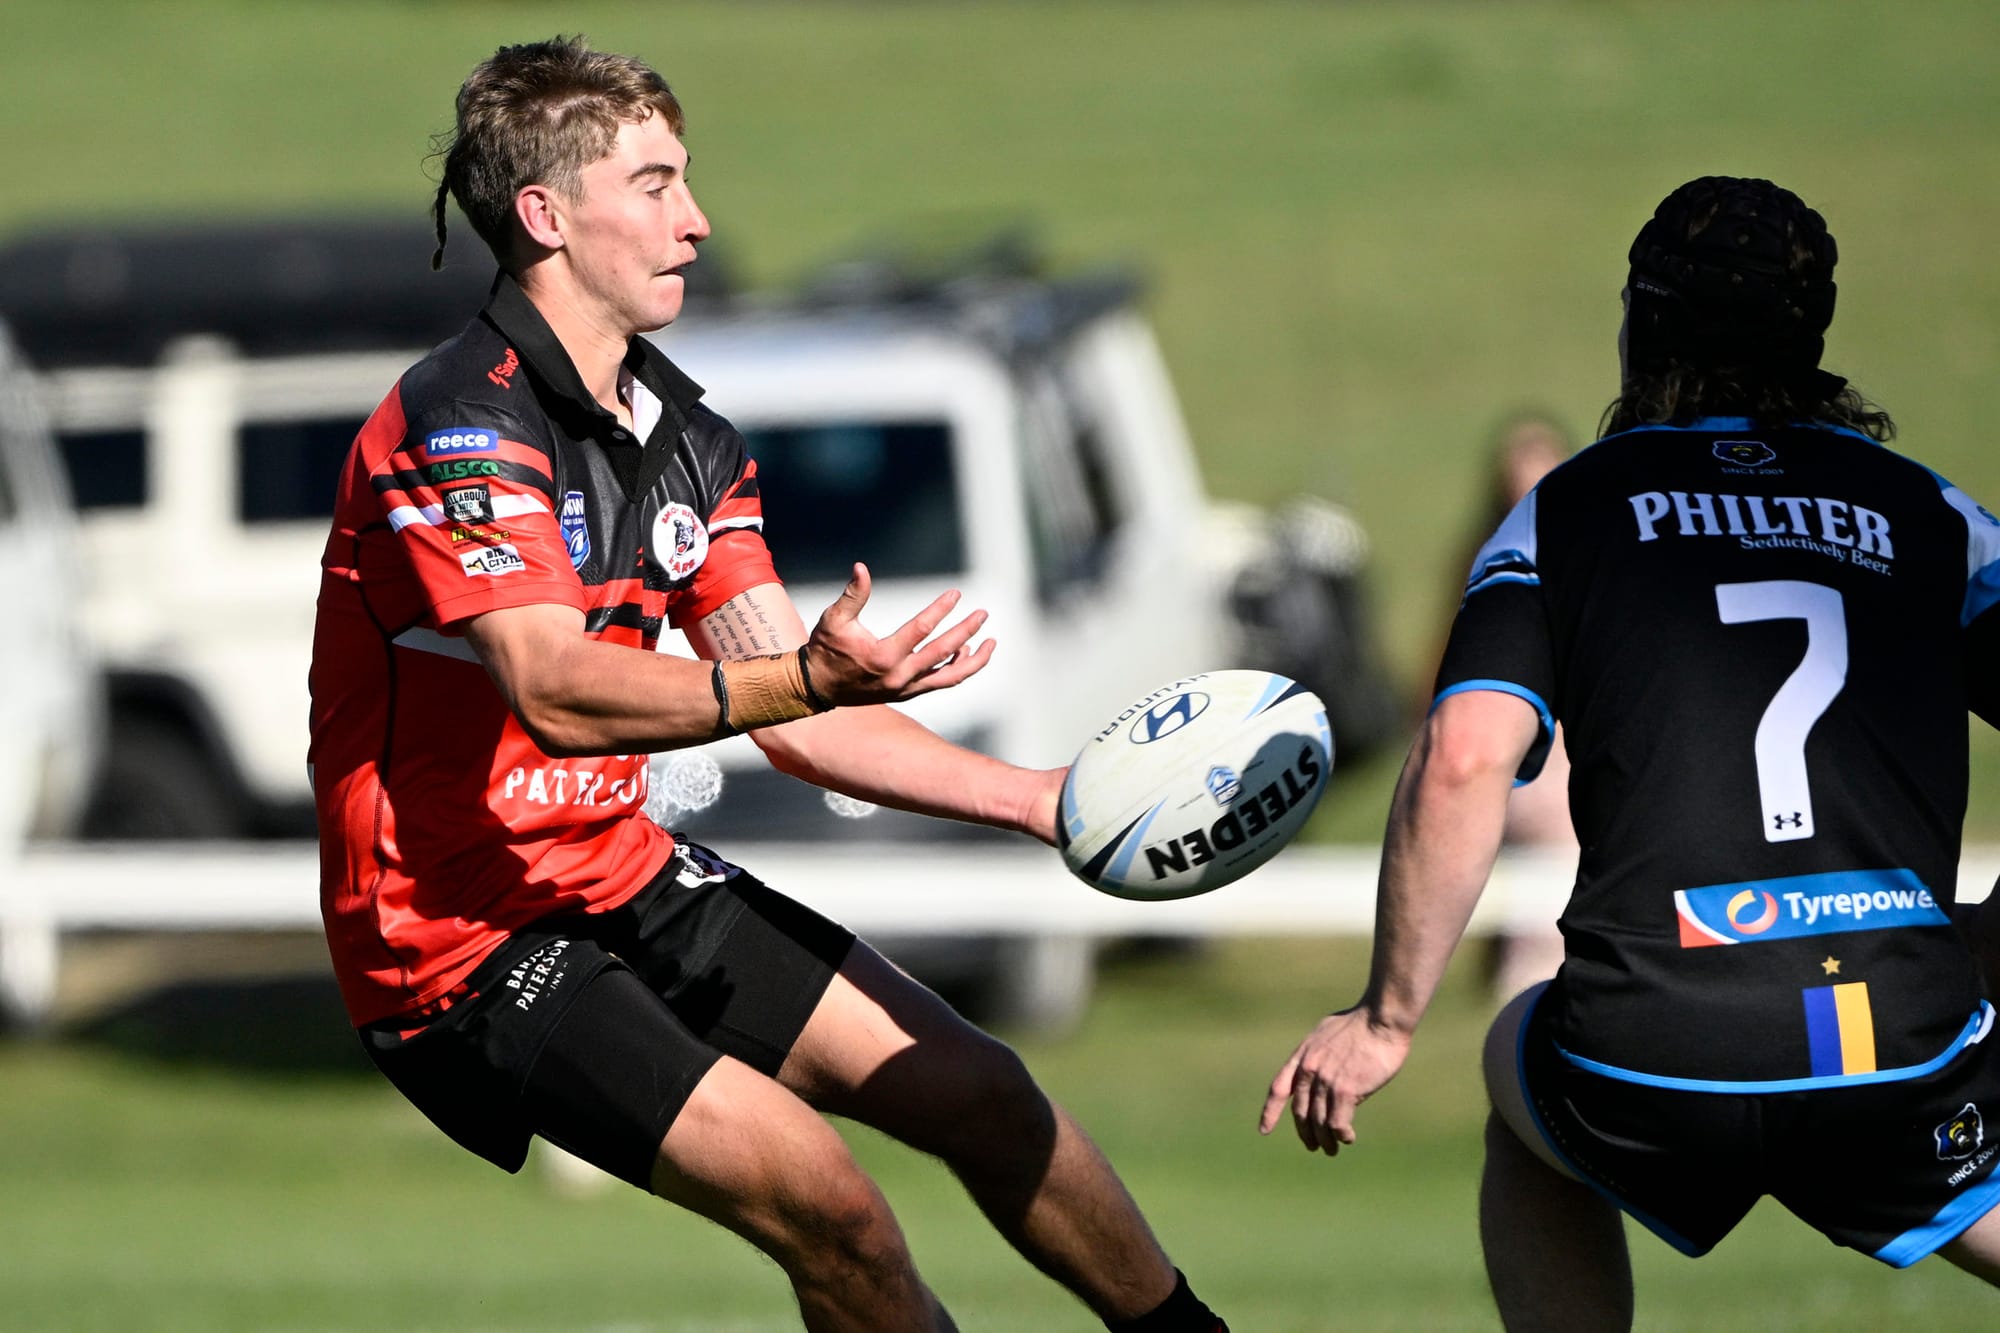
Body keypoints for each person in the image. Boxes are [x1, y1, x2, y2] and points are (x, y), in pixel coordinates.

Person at [308, 36, 1224, 1333]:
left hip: (618, 871)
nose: (696, 221)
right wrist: (797, 679)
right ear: (547, 216)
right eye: (656, 185)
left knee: (979, 1087)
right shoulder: (459, 424)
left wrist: (1040, 798)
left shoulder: (687, 437)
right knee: (831, 1204)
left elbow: (795, 719)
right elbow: (552, 686)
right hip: (457, 943)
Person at [1260, 176, 2000, 1328]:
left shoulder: (1567, 508)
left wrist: (1384, 1018)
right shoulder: (1930, 514)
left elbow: (1461, 754)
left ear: (1641, 324)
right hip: (1892, 1035)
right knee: (1928, 1133)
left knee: (1523, 1084)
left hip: (1652, 1049)